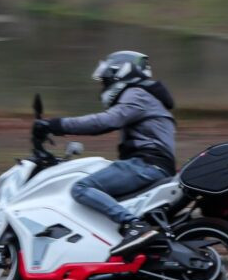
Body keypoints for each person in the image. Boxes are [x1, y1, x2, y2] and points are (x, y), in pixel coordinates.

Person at [34, 50, 176, 256]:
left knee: (82, 187)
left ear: (120, 73)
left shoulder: (137, 94)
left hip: (146, 164)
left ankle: (133, 225)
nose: (104, 85)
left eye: (106, 79)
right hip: (151, 164)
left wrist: (56, 125)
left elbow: (105, 121)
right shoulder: (147, 96)